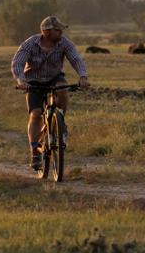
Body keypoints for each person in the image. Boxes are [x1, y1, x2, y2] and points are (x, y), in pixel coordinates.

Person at [10, 16, 90, 170]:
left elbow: (76, 59)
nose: (61, 33)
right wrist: (21, 81)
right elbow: (17, 63)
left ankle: (60, 124)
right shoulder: (30, 43)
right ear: (46, 31)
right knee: (36, 113)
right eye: (57, 30)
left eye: (61, 30)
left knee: (63, 90)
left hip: (54, 77)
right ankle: (35, 150)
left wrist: (83, 76)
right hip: (33, 80)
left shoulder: (64, 42)